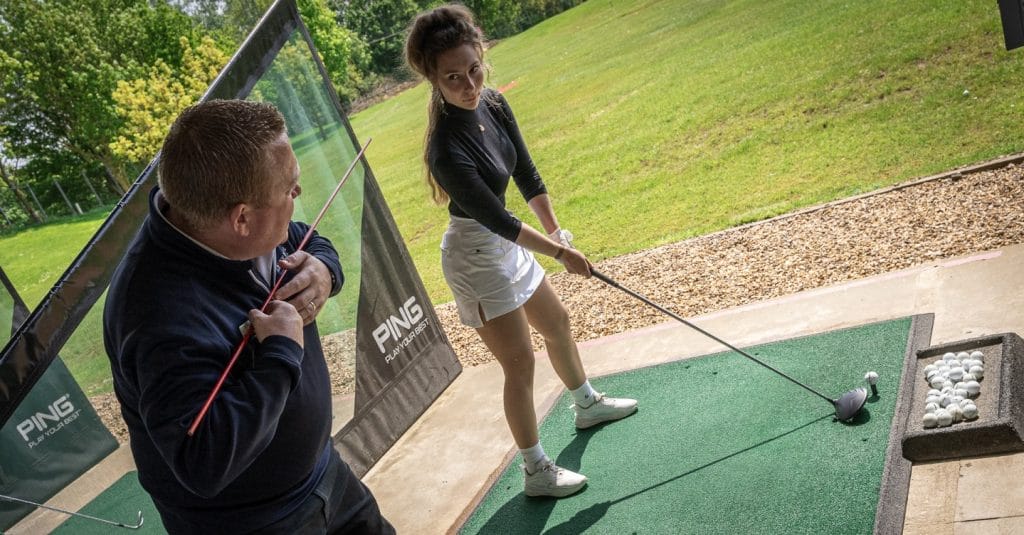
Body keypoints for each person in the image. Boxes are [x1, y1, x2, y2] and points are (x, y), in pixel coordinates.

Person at [103, 100, 394, 534]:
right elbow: (202, 460)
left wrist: (323, 270)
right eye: (290, 189)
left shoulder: (220, 222)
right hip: (249, 523)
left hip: (325, 476)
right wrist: (279, 352)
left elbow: (306, 240)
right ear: (241, 218)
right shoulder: (158, 317)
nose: (298, 196)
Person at [405, 4, 638, 498]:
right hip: (476, 255)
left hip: (509, 244)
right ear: (433, 80)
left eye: (474, 69)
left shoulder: (493, 103)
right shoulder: (444, 150)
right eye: (453, 78)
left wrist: (559, 233)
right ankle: (535, 471)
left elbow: (527, 176)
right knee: (520, 363)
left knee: (556, 324)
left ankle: (586, 404)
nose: (469, 85)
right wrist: (558, 255)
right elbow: (499, 220)